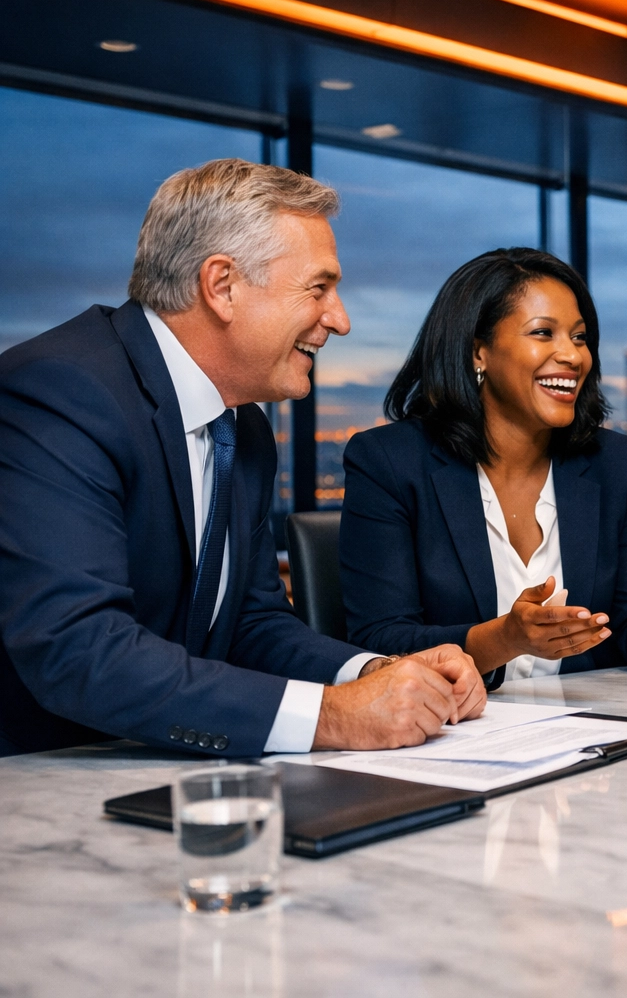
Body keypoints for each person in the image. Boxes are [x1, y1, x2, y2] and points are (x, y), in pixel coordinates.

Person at [0, 158, 485, 759]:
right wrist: (332, 718)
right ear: (222, 285)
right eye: (319, 288)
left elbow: (252, 626)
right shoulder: (62, 393)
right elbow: (78, 650)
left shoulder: (244, 427)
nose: (340, 319)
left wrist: (382, 674)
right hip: (39, 783)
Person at [339, 247, 627, 686]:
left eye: (580, 337)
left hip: (587, 730)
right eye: (543, 333)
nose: (573, 356)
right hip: (446, 731)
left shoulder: (617, 465)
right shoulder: (389, 462)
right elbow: (381, 641)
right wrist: (504, 639)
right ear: (478, 352)